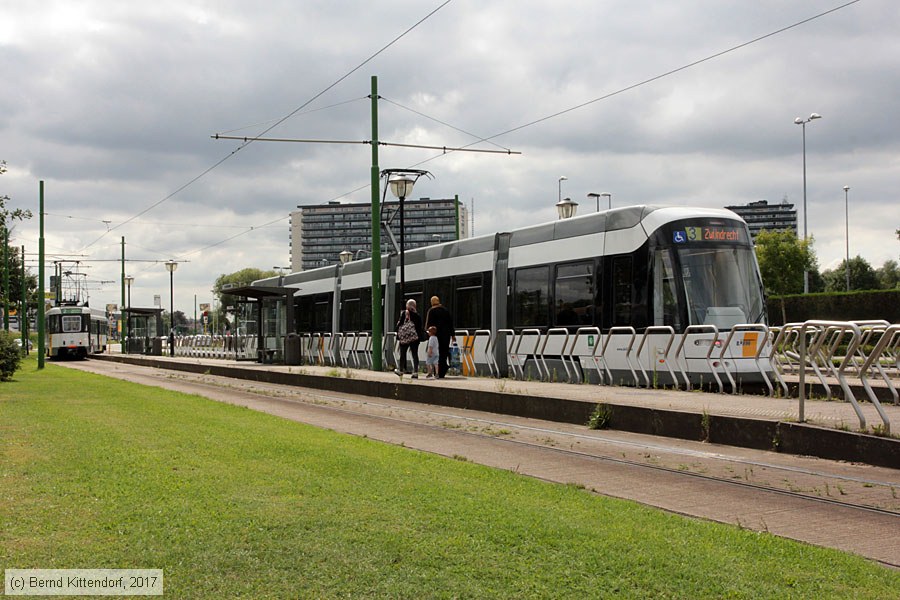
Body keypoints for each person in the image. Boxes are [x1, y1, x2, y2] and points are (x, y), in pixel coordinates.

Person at [424, 295, 455, 378]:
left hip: (436, 336)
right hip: (446, 335)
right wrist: (453, 335)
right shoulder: (445, 310)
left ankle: (437, 372)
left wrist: (428, 334)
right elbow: (450, 323)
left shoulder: (431, 311)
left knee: (436, 353)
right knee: (444, 353)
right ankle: (443, 370)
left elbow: (429, 324)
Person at [394, 298, 423, 378]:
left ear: (408, 306)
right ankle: (415, 372)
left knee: (403, 353)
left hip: (405, 337)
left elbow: (400, 324)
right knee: (415, 354)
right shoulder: (417, 315)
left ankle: (401, 370)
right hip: (414, 338)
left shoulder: (405, 313)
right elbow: (420, 327)